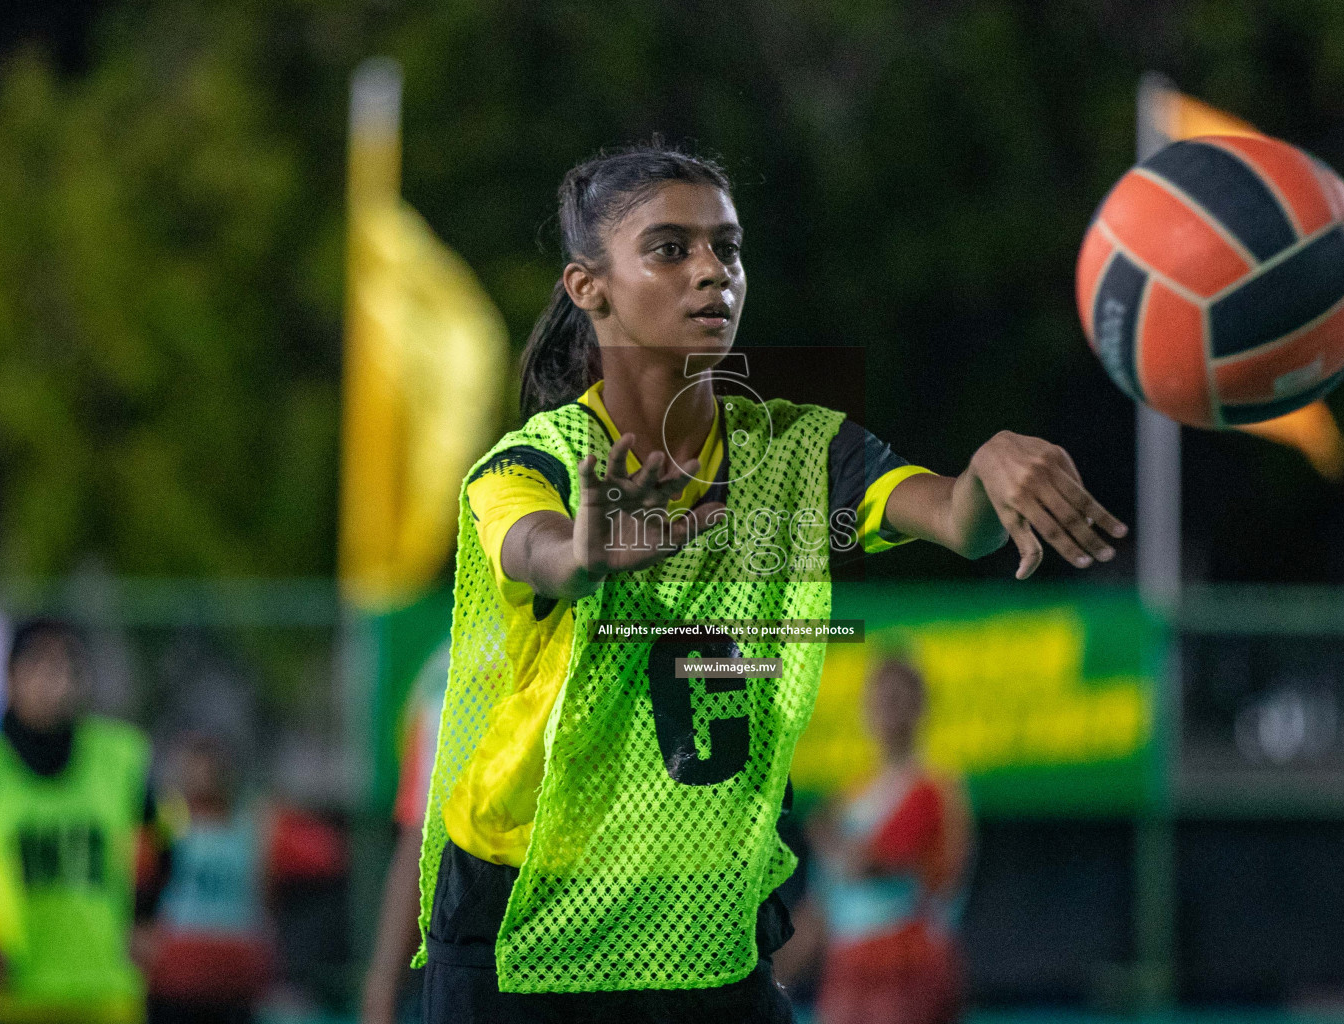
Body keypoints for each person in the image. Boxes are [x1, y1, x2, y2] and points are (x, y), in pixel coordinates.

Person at [415, 141, 1126, 1024]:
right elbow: (535, 550)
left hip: (703, 919)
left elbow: (954, 520)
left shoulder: (797, 451)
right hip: (530, 921)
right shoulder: (534, 462)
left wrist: (987, 472)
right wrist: (583, 554)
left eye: (728, 247)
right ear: (586, 287)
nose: (713, 271)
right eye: (671, 249)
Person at [0, 618, 164, 1024]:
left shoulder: (118, 758)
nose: (55, 683)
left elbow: (161, 838)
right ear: (11, 676)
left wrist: (145, 918)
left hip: (103, 991)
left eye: (68, 668)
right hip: (9, 996)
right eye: (39, 667)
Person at [780, 656, 972, 1024]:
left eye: (899, 699)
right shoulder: (850, 797)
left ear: (922, 706)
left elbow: (872, 864)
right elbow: (823, 903)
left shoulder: (934, 789)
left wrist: (827, 837)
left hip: (906, 963)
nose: (889, 710)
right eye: (881, 699)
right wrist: (777, 977)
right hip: (849, 965)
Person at [143, 733, 276, 1024]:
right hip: (175, 974)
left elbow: (263, 894)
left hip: (234, 976)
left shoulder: (250, 824)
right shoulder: (166, 821)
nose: (204, 776)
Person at [360, 642, 448, 1024]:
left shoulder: (444, 667)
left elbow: (420, 839)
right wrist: (383, 983)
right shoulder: (451, 671)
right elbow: (422, 838)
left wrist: (382, 982)